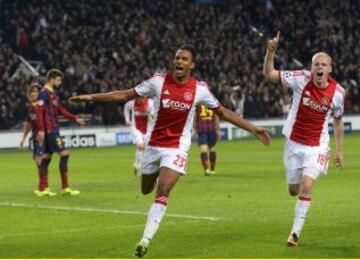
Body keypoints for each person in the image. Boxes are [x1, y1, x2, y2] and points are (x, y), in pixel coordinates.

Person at [70, 44, 271, 257]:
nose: (179, 62)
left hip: (176, 148)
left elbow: (223, 113)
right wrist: (91, 97)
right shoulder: (158, 82)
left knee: (163, 189)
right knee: (146, 189)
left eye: (184, 59)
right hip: (154, 146)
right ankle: (157, 175)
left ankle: (145, 240)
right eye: (177, 58)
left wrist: (253, 129)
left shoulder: (199, 89)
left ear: (191, 65)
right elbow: (124, 95)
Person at [263, 32, 345, 246]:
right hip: (293, 143)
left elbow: (337, 120)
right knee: (294, 190)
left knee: (307, 185)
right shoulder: (300, 78)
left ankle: (295, 234)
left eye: (324, 64)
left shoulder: (338, 93)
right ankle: (299, 198)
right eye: (316, 64)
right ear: (311, 67)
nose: (319, 67)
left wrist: (338, 150)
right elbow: (270, 74)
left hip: (317, 147)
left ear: (330, 69)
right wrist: (270, 52)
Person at [36, 69, 86, 197]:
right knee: (64, 154)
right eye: (58, 80)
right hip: (51, 130)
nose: (60, 82)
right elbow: (39, 112)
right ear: (51, 79)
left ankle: (43, 188)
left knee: (46, 158)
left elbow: (61, 110)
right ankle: (65, 187)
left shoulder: (53, 94)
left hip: (51, 129)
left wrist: (75, 119)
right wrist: (41, 129)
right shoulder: (44, 94)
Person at [19, 83, 45, 190]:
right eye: (31, 91)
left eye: (35, 91)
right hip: (35, 138)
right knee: (37, 161)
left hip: (43, 137)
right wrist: (23, 139)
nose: (33, 93)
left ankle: (43, 186)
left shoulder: (42, 105)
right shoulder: (30, 107)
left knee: (40, 160)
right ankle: (43, 184)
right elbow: (28, 124)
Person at [124, 97, 154, 176]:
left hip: (148, 129)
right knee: (140, 146)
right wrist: (127, 120)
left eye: (142, 97)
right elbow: (126, 108)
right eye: (139, 97)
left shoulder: (151, 103)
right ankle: (139, 168)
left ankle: (138, 165)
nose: (140, 99)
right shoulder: (132, 103)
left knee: (147, 149)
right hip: (135, 128)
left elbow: (154, 117)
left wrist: (149, 113)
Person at [194, 104, 220, 176]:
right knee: (212, 149)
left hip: (202, 130)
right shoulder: (212, 103)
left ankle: (207, 170)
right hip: (211, 129)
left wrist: (195, 127)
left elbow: (195, 116)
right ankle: (212, 170)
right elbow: (216, 116)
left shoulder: (198, 105)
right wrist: (218, 129)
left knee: (204, 150)